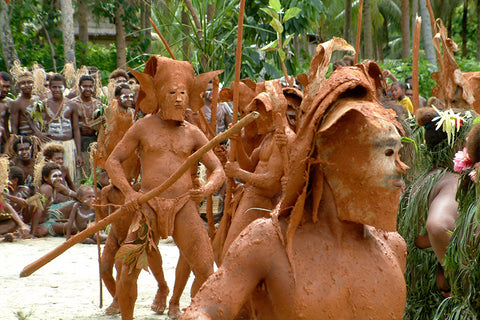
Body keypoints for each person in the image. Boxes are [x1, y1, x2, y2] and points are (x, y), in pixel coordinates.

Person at [180, 62, 408, 320]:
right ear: (333, 157)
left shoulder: (394, 248)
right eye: (388, 153)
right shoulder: (268, 242)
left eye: (399, 153)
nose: (402, 167)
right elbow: (205, 309)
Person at [106, 55, 225, 320]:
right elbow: (113, 161)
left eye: (183, 92)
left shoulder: (193, 133)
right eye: (172, 92)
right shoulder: (143, 127)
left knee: (207, 270)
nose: (179, 98)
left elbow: (218, 169)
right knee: (128, 269)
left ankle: (194, 314)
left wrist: (207, 189)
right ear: (160, 94)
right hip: (147, 204)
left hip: (183, 205)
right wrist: (129, 192)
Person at [215, 79, 295, 264]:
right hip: (250, 195)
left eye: (258, 113)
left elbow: (270, 181)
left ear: (272, 114)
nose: (255, 118)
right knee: (222, 250)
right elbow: (250, 165)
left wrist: (238, 174)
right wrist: (236, 143)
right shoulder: (268, 138)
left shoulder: (285, 140)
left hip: (261, 200)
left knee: (231, 253)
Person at [33, 73, 83, 180]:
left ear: (64, 88)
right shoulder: (43, 104)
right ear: (49, 87)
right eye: (54, 87)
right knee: (50, 176)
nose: (57, 89)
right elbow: (29, 118)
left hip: (68, 145)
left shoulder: (72, 105)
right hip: (50, 145)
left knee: (68, 176)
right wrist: (38, 133)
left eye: (60, 87)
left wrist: (79, 153)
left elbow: (76, 129)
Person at [67, 74, 102, 179]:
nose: (87, 89)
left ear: (94, 87)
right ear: (79, 87)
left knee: (94, 172)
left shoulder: (98, 104)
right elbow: (69, 126)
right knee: (80, 173)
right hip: (77, 140)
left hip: (93, 141)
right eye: (85, 86)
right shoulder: (73, 103)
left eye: (90, 86)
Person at [31, 162, 77, 237]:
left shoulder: (57, 186)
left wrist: (66, 190)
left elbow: (78, 197)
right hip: (42, 223)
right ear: (45, 178)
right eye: (55, 176)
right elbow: (38, 210)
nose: (59, 179)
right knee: (73, 227)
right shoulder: (46, 188)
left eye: (60, 176)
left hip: (51, 215)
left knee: (76, 203)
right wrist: (32, 233)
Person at [10, 72, 42, 138]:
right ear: (19, 85)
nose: (27, 85)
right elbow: (14, 128)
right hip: (25, 139)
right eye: (23, 83)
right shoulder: (16, 103)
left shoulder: (37, 99)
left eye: (29, 82)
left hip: (39, 138)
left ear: (33, 83)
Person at [0, 72, 13, 148]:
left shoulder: (10, 103)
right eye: (2, 86)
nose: (5, 89)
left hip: (5, 143)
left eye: (7, 87)